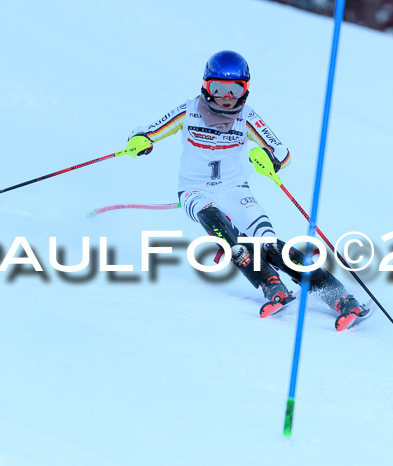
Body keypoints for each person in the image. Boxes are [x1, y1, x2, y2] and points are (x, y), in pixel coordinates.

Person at [121, 50, 368, 329]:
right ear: (206, 86)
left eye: (235, 90)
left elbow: (281, 152)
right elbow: (148, 131)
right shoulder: (188, 111)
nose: (226, 97)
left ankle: (340, 297)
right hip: (194, 190)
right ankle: (271, 285)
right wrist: (139, 142)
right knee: (215, 221)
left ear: (245, 90)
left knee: (268, 243)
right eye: (218, 89)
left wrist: (269, 160)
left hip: (234, 189)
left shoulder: (246, 116)